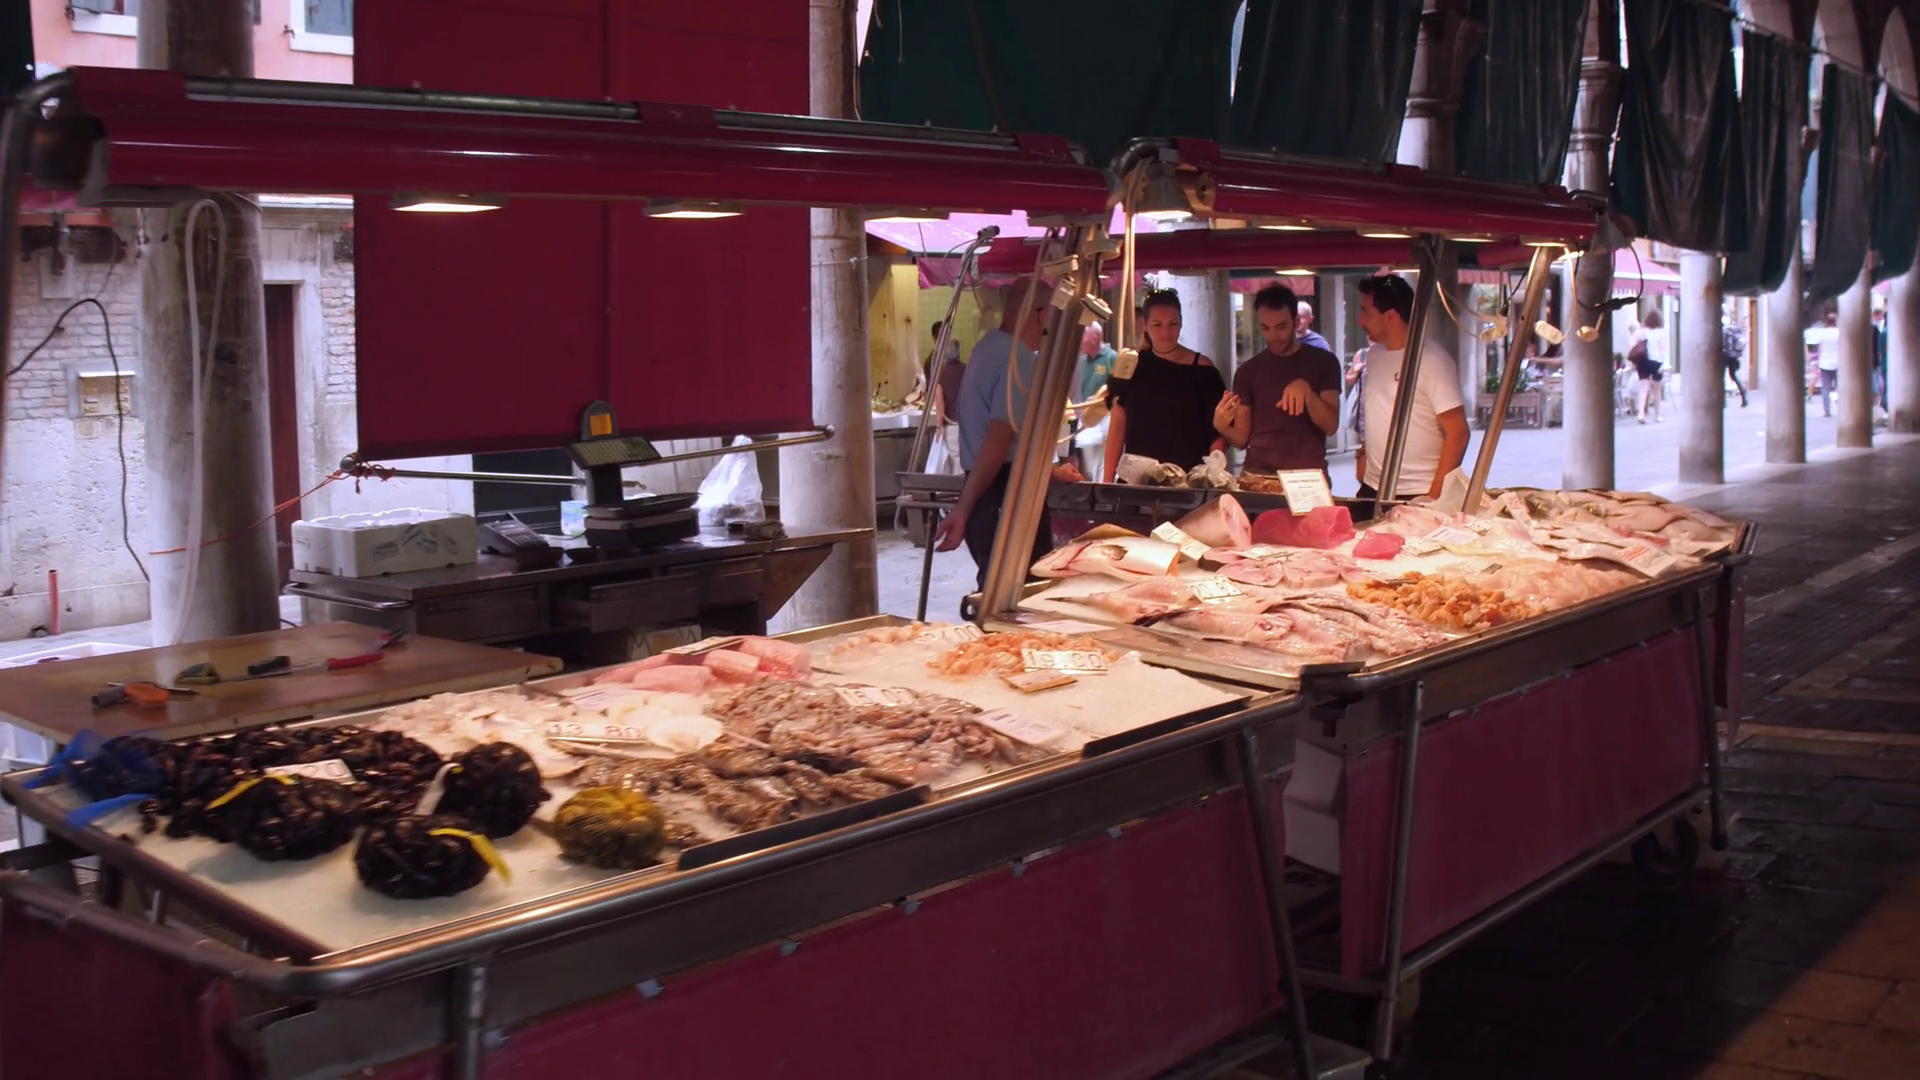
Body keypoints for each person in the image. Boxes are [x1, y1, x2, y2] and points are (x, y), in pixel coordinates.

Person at [932, 278, 1082, 587]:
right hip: (1004, 494)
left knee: (999, 590)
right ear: (1040, 314)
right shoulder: (1019, 359)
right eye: (1051, 316)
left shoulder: (987, 346)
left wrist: (1049, 469)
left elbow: (1007, 437)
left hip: (991, 491)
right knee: (1021, 596)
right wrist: (962, 509)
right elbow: (996, 444)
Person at [1353, 274, 1469, 505]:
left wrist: (1434, 495)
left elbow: (1458, 432)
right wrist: (1365, 454)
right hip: (1373, 487)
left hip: (1417, 491)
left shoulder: (1432, 360)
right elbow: (1379, 408)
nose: (1359, 320)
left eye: (1365, 311)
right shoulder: (1374, 356)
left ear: (1391, 316)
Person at [1213, 284, 1342, 475]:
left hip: (1307, 474)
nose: (1273, 336)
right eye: (1266, 328)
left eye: (1281, 327)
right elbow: (1241, 439)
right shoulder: (1248, 371)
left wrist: (1307, 394)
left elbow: (1331, 425)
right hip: (1258, 472)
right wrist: (1221, 426)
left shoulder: (1324, 361)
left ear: (1296, 322)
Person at [1103, 288, 1228, 479]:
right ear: (1143, 324)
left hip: (1188, 481)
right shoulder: (1130, 366)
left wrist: (1213, 477)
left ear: (1181, 323)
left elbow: (1218, 432)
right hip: (1137, 481)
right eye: (1157, 324)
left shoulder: (1203, 369)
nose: (1166, 332)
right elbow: (1118, 425)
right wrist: (1107, 480)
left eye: (1173, 324)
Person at [1071, 323, 1116, 481]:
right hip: (1085, 417)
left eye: (1084, 336)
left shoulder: (1110, 357)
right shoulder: (1082, 360)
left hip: (1104, 418)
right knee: (1089, 462)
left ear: (1095, 338)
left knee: (1101, 462)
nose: (1080, 340)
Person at [928, 320, 967, 474]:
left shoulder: (940, 373)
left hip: (950, 425)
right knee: (964, 460)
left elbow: (940, 401)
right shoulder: (968, 370)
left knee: (954, 460)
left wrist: (938, 426)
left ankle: (956, 494)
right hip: (966, 425)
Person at [1629, 309, 1667, 423]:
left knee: (1643, 389)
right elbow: (1664, 350)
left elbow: (1632, 345)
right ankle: (1657, 415)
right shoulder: (1661, 332)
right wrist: (1664, 364)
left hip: (1643, 361)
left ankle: (1641, 414)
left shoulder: (1641, 332)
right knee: (1657, 390)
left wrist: (1633, 363)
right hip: (1657, 362)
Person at [1807, 311, 1840, 417]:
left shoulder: (1823, 333)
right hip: (1837, 363)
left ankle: (1827, 410)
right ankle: (1841, 408)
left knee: (1826, 387)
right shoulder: (1840, 333)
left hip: (1824, 363)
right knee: (1839, 387)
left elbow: (1817, 347)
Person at [1723, 323, 1748, 408]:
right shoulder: (1733, 329)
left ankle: (1723, 401)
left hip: (1725, 355)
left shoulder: (1724, 330)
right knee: (1735, 376)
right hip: (1735, 356)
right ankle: (1745, 396)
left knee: (1721, 378)